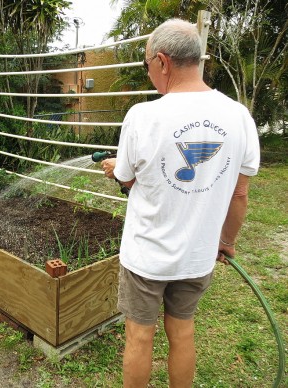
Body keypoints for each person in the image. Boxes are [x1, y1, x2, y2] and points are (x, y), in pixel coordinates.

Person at [101, 19, 260, 387]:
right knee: (183, 333)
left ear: (162, 61)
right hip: (197, 256)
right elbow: (239, 193)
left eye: (147, 65)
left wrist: (117, 168)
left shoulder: (143, 115)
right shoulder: (238, 116)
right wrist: (226, 243)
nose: (149, 72)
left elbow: (126, 177)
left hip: (146, 256)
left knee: (140, 336)